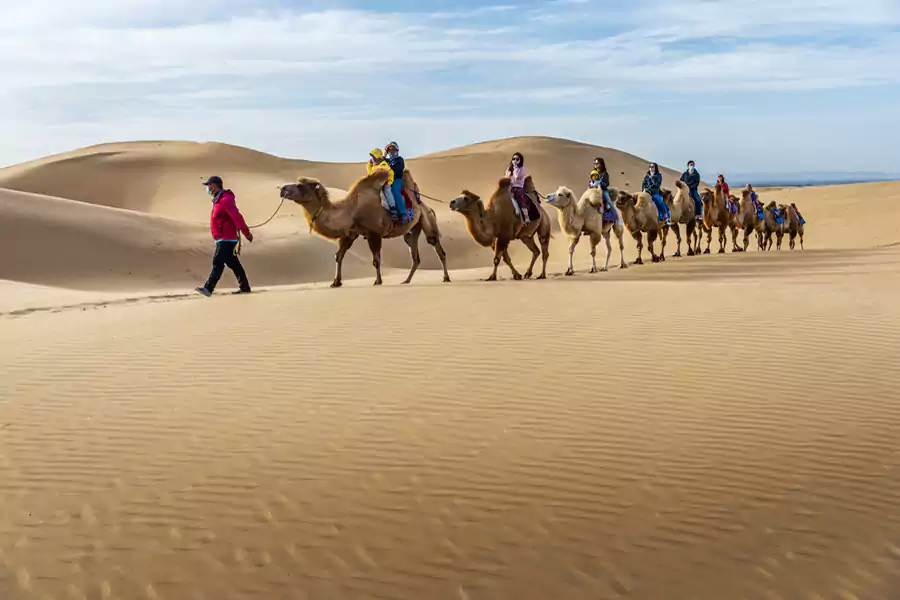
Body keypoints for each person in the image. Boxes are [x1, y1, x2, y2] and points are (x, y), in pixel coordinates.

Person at [195, 176, 252, 297]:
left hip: (227, 238)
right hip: (222, 237)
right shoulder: (218, 200)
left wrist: (246, 232)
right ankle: (245, 287)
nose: (208, 188)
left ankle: (208, 288)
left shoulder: (225, 200)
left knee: (218, 261)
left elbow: (237, 217)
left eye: (209, 185)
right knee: (233, 263)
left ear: (215, 185)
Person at [368, 148, 400, 221]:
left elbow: (391, 173)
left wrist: (389, 182)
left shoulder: (383, 164)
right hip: (378, 185)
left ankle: (393, 208)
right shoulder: (374, 166)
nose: (372, 159)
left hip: (385, 183)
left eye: (373, 157)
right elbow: (370, 173)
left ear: (377, 157)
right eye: (372, 157)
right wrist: (369, 165)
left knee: (387, 191)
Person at [384, 141, 410, 224]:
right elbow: (380, 161)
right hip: (387, 180)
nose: (391, 151)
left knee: (394, 191)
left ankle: (403, 213)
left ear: (397, 150)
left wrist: (391, 175)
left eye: (393, 149)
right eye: (389, 150)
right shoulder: (387, 161)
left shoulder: (399, 159)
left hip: (396, 179)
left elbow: (399, 169)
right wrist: (384, 154)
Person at [506, 152, 530, 225]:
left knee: (520, 199)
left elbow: (517, 177)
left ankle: (526, 217)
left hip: (518, 188)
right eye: (513, 159)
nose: (515, 161)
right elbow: (506, 178)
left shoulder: (521, 169)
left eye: (517, 159)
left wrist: (515, 167)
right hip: (509, 187)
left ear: (520, 160)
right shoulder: (508, 169)